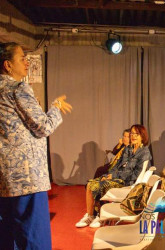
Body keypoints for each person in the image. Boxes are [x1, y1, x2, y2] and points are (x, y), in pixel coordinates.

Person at [0, 42, 72, 249]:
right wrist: (55, 107)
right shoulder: (17, 89)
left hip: (4, 178)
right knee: (32, 237)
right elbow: (44, 127)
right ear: (8, 65)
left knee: (8, 236)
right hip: (26, 177)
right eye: (22, 58)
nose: (27, 62)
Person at [75, 124, 151, 228]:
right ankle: (90, 215)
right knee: (90, 184)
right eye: (132, 133)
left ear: (142, 136)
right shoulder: (128, 149)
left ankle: (101, 216)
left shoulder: (144, 152)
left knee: (97, 186)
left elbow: (134, 174)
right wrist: (110, 174)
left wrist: (116, 175)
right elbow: (117, 166)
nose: (133, 136)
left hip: (128, 182)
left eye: (136, 134)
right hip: (118, 178)